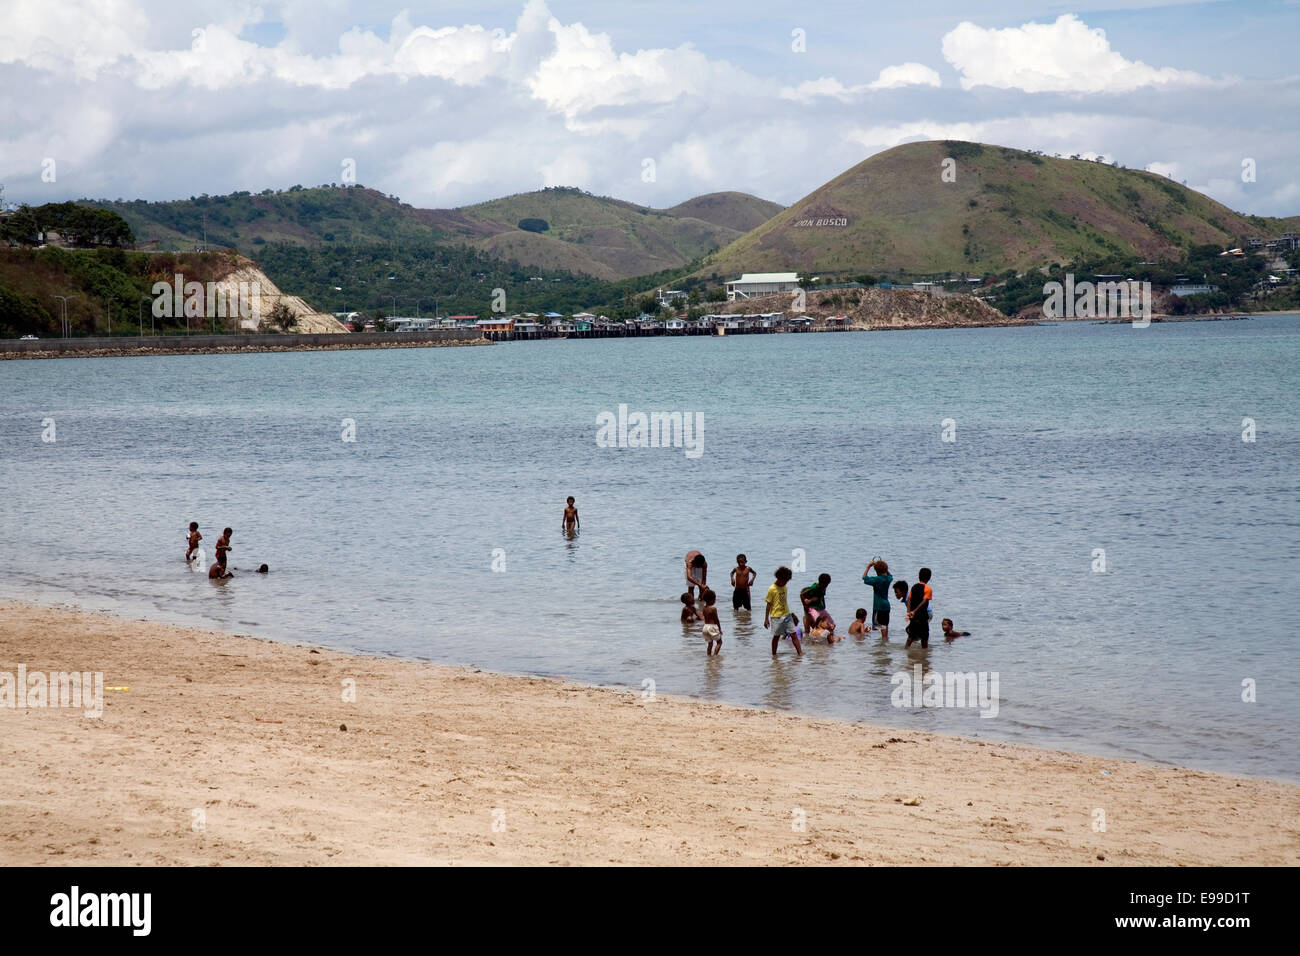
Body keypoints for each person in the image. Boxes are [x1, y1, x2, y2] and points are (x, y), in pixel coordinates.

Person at [764, 566, 802, 656]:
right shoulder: (772, 589)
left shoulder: (785, 587)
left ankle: (800, 653)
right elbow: (768, 605)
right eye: (785, 580)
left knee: (793, 635)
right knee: (776, 636)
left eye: (787, 581)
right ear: (779, 578)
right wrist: (766, 619)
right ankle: (774, 655)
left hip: (787, 614)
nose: (786, 582)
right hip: (776, 616)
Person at [862, 559, 894, 640]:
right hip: (886, 606)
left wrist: (868, 566)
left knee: (881, 626)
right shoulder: (888, 579)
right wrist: (885, 569)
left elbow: (864, 578)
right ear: (886, 569)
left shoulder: (876, 579)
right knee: (885, 626)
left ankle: (884, 642)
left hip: (879, 606)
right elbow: (891, 576)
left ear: (877, 571)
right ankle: (885, 641)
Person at [905, 570, 931, 649]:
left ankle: (906, 650)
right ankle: (925, 655)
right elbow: (924, 601)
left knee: (911, 636)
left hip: (914, 617)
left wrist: (909, 612)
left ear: (919, 576)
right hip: (922, 616)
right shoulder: (928, 589)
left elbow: (909, 599)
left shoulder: (914, 587)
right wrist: (915, 611)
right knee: (924, 637)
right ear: (929, 578)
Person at [700, 589, 723, 655]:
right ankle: (715, 655)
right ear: (712, 600)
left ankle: (709, 656)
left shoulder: (704, 608)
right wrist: (720, 629)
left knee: (710, 644)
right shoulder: (713, 609)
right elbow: (716, 620)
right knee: (719, 642)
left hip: (705, 627)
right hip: (712, 627)